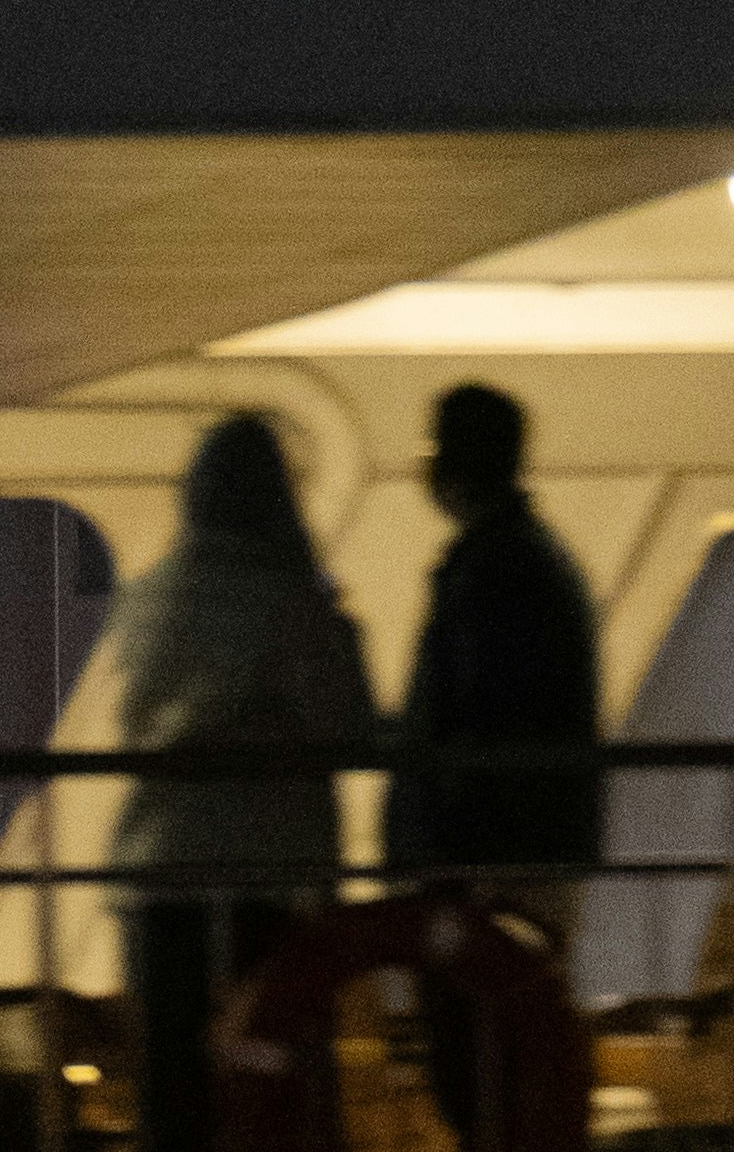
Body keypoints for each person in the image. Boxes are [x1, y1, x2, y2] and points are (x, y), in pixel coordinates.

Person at [104, 413, 374, 1152]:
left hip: (153, 873)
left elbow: (133, 718)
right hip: (264, 874)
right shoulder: (291, 599)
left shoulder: (152, 595)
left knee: (175, 1077)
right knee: (278, 1062)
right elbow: (342, 721)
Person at [384, 385, 601, 1140]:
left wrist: (445, 852)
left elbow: (475, 716)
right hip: (532, 847)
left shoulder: (490, 569)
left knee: (478, 1069)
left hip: (489, 858)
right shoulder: (532, 561)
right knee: (510, 1067)